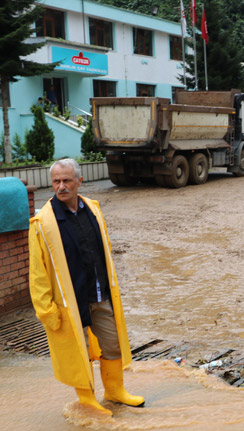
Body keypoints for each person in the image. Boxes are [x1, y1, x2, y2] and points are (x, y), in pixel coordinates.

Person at [29, 159, 144, 416]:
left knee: (112, 344)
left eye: (67, 180)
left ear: (79, 181)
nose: (61, 187)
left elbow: (103, 251)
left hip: (99, 293)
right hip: (69, 301)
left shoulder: (92, 209)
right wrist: (45, 308)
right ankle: (87, 400)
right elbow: (37, 272)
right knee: (77, 353)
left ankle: (115, 391)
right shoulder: (43, 222)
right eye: (56, 181)